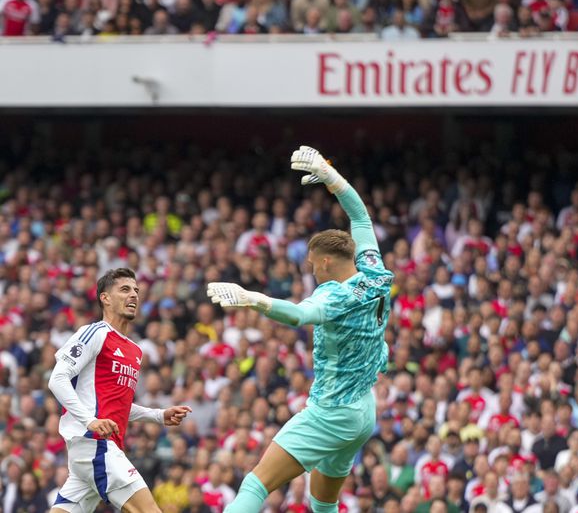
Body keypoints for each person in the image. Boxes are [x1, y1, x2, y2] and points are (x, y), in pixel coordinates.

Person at [207, 145, 394, 513]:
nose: (310, 270)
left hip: (332, 411)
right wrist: (331, 176)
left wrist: (252, 299)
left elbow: (297, 316)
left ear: (325, 262)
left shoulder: (335, 298)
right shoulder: (374, 271)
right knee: (323, 503)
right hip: (362, 412)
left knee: (256, 483)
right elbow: (361, 219)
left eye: (312, 264)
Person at [48, 268, 192, 513]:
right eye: (125, 289)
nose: (133, 295)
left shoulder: (135, 350)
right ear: (105, 298)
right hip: (95, 443)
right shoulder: (94, 333)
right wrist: (90, 421)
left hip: (97, 447)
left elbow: (118, 404)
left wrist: (157, 415)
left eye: (136, 290)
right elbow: (57, 379)